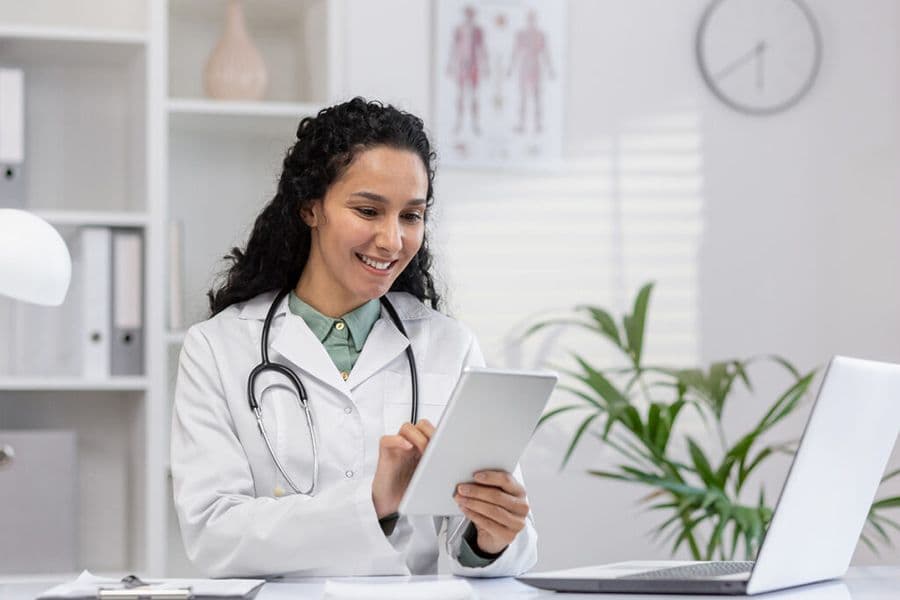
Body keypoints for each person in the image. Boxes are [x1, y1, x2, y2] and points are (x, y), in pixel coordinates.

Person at [170, 97, 538, 578]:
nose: (392, 240)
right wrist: (371, 502)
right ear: (310, 208)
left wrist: (490, 538)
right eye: (368, 210)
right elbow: (212, 536)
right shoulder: (217, 348)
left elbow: (478, 539)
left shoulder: (451, 347)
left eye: (411, 216)